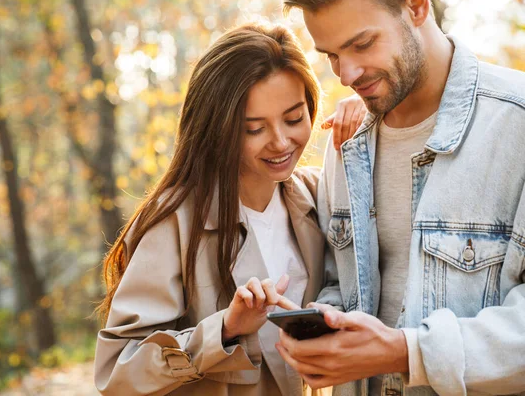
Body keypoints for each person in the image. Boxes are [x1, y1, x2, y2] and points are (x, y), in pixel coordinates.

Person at [93, 23, 363, 396]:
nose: (281, 142)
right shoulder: (174, 221)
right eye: (254, 129)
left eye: (294, 118)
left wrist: (369, 122)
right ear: (217, 129)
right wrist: (225, 329)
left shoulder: (319, 195)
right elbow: (116, 371)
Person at [276, 0, 525, 395]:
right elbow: (341, 282)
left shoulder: (517, 123)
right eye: (331, 55)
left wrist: (405, 352)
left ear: (416, 5)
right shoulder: (345, 145)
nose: (347, 74)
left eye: (362, 44)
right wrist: (322, 329)